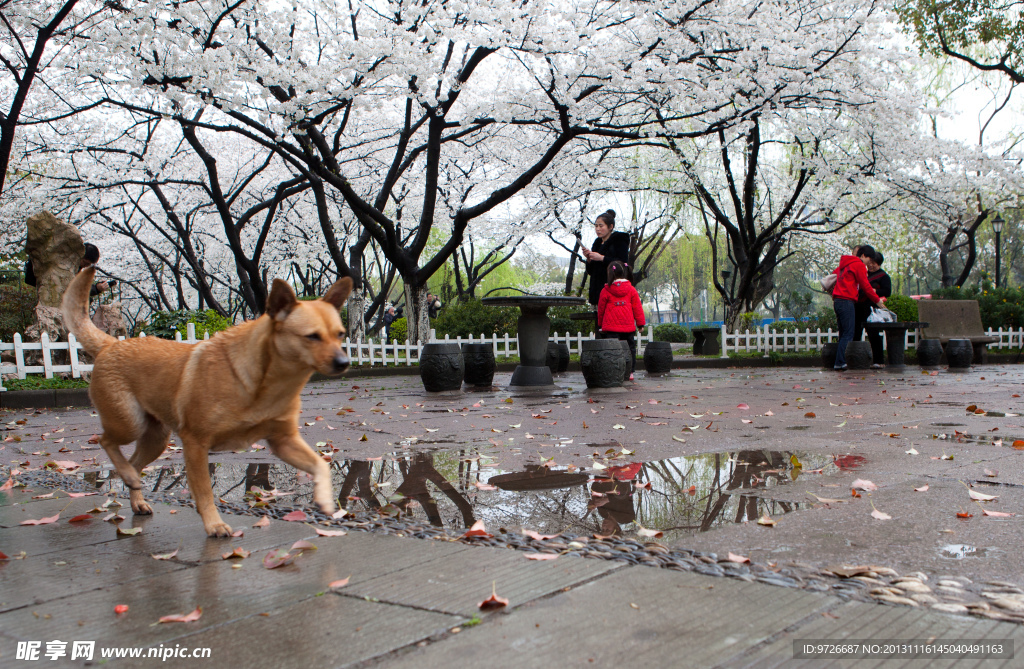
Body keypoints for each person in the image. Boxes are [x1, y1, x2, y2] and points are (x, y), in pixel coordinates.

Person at [830, 245, 884, 371]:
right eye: (868, 260)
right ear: (864, 255)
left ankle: (839, 361)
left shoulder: (844, 264)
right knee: (848, 333)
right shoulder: (858, 265)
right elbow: (866, 285)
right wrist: (877, 300)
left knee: (843, 332)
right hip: (847, 300)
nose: (868, 264)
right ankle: (840, 362)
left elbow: (834, 275)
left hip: (837, 300)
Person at [597, 260, 646, 381]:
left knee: (612, 350)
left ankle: (612, 371)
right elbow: (637, 307)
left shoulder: (606, 290)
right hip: (628, 326)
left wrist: (600, 324)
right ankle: (630, 372)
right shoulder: (631, 290)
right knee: (630, 349)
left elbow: (601, 309)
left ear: (610, 274)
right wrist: (640, 324)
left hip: (611, 327)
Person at [25, 242, 112, 296]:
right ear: (79, 255)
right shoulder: (65, 263)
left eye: (88, 265)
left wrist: (97, 288)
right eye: (85, 263)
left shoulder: (76, 267)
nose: (85, 266)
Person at [582, 209, 630, 306]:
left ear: (610, 227)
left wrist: (602, 258)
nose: (597, 229)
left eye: (601, 226)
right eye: (596, 226)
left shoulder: (619, 240)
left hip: (613, 290)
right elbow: (591, 271)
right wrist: (589, 259)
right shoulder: (597, 243)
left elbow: (623, 264)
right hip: (597, 292)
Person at [854, 250, 892, 369]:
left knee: (873, 334)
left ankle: (878, 360)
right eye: (870, 262)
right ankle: (855, 359)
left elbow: (887, 291)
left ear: (879, 263)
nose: (871, 265)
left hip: (872, 309)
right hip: (859, 306)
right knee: (856, 333)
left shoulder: (884, 276)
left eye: (874, 263)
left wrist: (875, 291)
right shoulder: (864, 273)